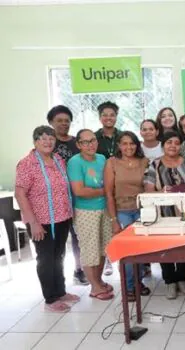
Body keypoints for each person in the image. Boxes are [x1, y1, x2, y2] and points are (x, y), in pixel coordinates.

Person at [15, 126, 79, 312]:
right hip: (40, 222)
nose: (48, 142)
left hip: (61, 217)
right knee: (45, 258)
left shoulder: (57, 159)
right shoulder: (27, 164)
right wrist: (33, 223)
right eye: (43, 138)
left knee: (59, 256)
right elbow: (21, 194)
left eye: (51, 138)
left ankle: (60, 291)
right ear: (35, 141)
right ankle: (50, 299)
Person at [144, 131, 185, 299]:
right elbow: (148, 191)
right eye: (169, 142)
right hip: (163, 213)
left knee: (183, 246)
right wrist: (162, 191)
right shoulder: (155, 165)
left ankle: (180, 277)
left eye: (176, 142)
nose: (173, 145)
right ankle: (170, 281)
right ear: (163, 145)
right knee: (164, 248)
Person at [67, 129, 114, 300]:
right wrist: (105, 191)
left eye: (92, 140)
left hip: (105, 209)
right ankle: (94, 287)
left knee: (103, 248)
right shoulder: (75, 162)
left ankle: (99, 281)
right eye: (85, 142)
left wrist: (104, 193)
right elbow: (79, 191)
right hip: (85, 211)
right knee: (89, 249)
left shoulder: (102, 159)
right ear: (78, 144)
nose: (90, 145)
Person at [104, 131, 150, 301]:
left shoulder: (144, 162)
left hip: (142, 210)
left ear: (137, 145)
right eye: (124, 143)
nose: (128, 147)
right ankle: (129, 286)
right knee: (128, 250)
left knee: (140, 250)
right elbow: (109, 193)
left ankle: (138, 282)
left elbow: (149, 187)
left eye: (132, 143)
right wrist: (113, 220)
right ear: (119, 146)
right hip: (122, 211)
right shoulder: (112, 163)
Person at [47, 105, 87, 285]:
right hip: (56, 199)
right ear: (51, 123)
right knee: (59, 240)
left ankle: (80, 269)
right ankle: (57, 278)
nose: (64, 124)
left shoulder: (76, 142)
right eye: (59, 121)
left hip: (79, 196)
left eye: (67, 121)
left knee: (78, 234)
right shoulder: (48, 143)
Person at [94, 101, 121, 276]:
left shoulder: (123, 136)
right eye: (105, 115)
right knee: (106, 226)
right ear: (100, 117)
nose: (108, 118)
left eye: (112, 115)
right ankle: (108, 260)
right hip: (99, 185)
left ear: (116, 117)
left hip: (120, 186)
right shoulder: (94, 138)